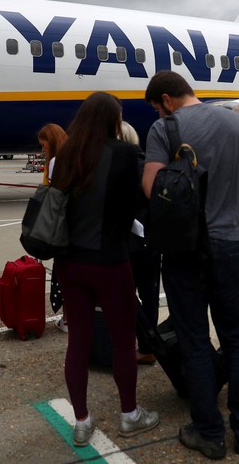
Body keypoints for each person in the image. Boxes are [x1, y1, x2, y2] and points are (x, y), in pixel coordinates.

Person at [142, 70, 239, 459]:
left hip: (185, 250)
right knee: (236, 337)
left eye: (156, 106)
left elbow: (152, 189)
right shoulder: (238, 122)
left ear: (166, 100)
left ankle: (209, 433)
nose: (157, 112)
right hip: (231, 247)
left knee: (196, 341)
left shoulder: (165, 128)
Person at [50, 92, 160, 447]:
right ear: (114, 119)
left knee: (78, 341)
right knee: (122, 338)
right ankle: (129, 414)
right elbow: (134, 202)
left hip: (70, 261)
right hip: (110, 260)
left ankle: (81, 420)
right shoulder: (125, 153)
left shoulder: (66, 153)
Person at [119, 121, 161, 365]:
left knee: (124, 293)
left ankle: (145, 341)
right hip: (151, 240)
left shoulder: (120, 166)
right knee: (150, 293)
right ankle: (149, 346)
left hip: (127, 240)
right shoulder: (148, 163)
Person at [37, 123, 69, 331]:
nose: (42, 151)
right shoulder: (73, 157)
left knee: (65, 272)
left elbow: (56, 194)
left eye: (44, 146)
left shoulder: (58, 162)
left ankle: (68, 319)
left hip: (62, 225)